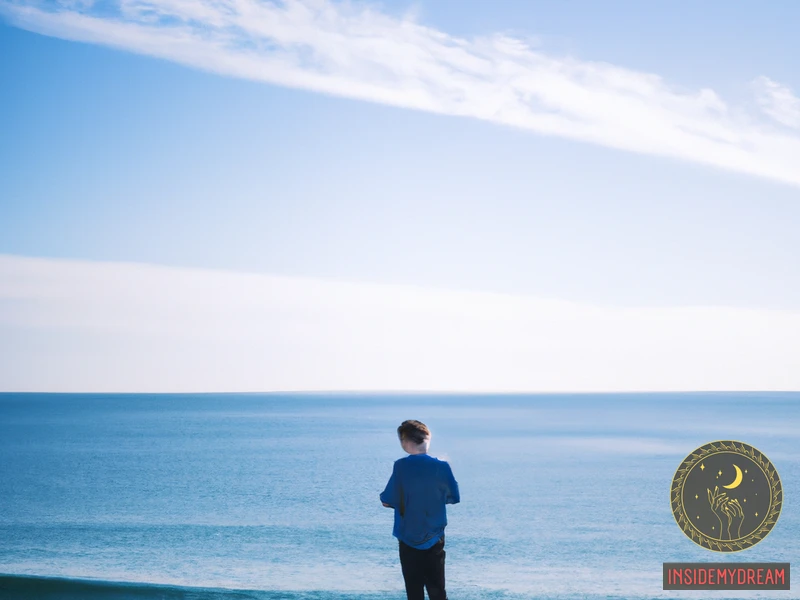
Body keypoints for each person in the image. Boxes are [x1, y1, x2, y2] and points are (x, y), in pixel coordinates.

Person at [380, 420, 460, 600]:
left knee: (413, 589)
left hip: (408, 536)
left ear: (405, 442)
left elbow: (388, 499)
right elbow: (453, 497)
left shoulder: (400, 466)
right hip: (434, 535)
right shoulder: (442, 466)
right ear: (427, 439)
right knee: (437, 588)